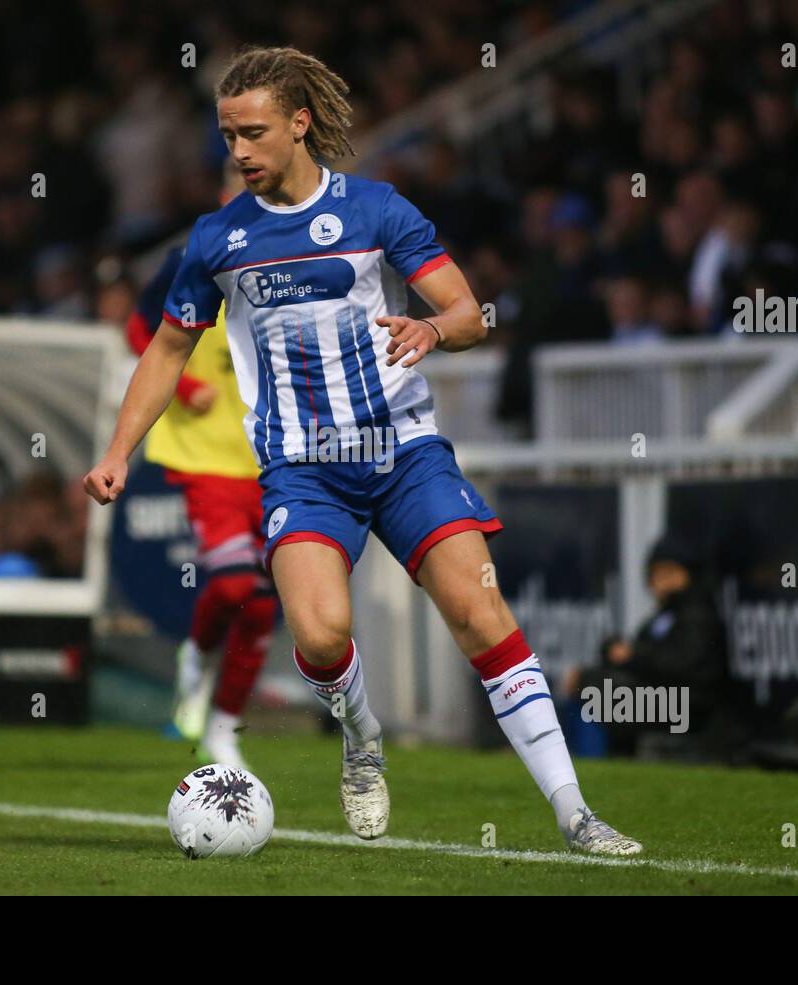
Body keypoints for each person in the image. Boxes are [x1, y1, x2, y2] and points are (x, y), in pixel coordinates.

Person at [85, 46, 640, 854]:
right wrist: (118, 451)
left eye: (253, 133)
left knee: (482, 616)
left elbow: (471, 314)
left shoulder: (378, 211)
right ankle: (362, 736)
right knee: (318, 635)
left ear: (300, 123)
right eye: (227, 136)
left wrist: (432, 327)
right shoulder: (216, 241)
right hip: (303, 471)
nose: (237, 152)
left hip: (405, 452)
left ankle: (576, 813)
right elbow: (168, 350)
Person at [114, 159, 279, 770]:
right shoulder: (196, 252)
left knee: (263, 603)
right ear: (225, 192)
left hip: (274, 456)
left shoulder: (297, 258)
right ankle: (197, 655)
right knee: (237, 585)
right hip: (205, 454)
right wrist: (183, 390)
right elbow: (140, 329)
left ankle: (224, 726)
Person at [563, 534, 735, 761]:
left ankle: (592, 763)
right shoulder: (665, 615)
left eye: (670, 573)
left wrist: (632, 656)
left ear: (689, 574)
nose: (662, 581)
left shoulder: (698, 614)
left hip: (687, 706)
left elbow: (681, 665)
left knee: (593, 686)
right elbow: (641, 652)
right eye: (657, 574)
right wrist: (614, 650)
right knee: (589, 682)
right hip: (663, 699)